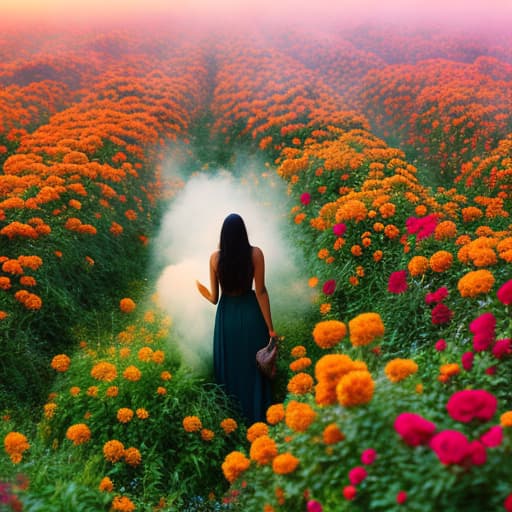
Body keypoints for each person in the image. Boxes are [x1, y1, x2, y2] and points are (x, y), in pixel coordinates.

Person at [196, 213, 276, 425]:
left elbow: (214, 298)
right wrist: (270, 328)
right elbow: (260, 291)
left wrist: (200, 289)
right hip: (251, 313)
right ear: (243, 233)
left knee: (230, 365)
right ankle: (259, 417)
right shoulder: (255, 254)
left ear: (223, 235)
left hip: (226, 316)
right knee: (253, 365)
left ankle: (231, 422)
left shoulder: (215, 258)